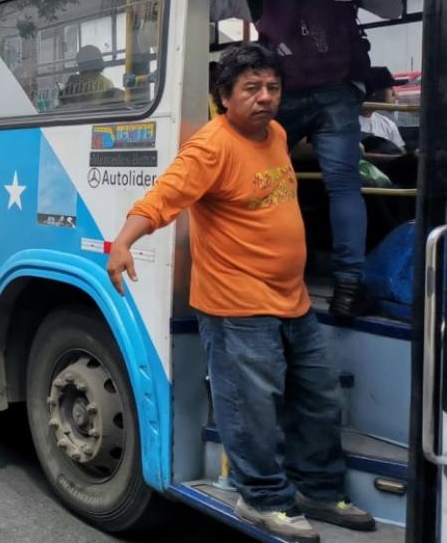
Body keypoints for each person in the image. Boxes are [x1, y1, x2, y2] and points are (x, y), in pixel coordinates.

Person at [106, 44, 374, 542]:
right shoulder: (211, 147)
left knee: (318, 399)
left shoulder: (275, 134)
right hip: (237, 307)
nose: (265, 97)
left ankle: (317, 490)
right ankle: (262, 499)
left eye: (272, 87)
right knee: (252, 408)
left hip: (292, 300)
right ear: (225, 96)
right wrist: (123, 242)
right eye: (251, 88)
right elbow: (163, 198)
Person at [211, 0, 402, 317]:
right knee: (344, 186)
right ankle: (348, 289)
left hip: (284, 93)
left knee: (266, 179)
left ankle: (261, 275)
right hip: (339, 92)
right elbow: (394, 9)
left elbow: (205, 10)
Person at [359, 66, 406, 153]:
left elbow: (402, 158)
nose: (395, 93)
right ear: (375, 92)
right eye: (390, 88)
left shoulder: (388, 125)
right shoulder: (345, 124)